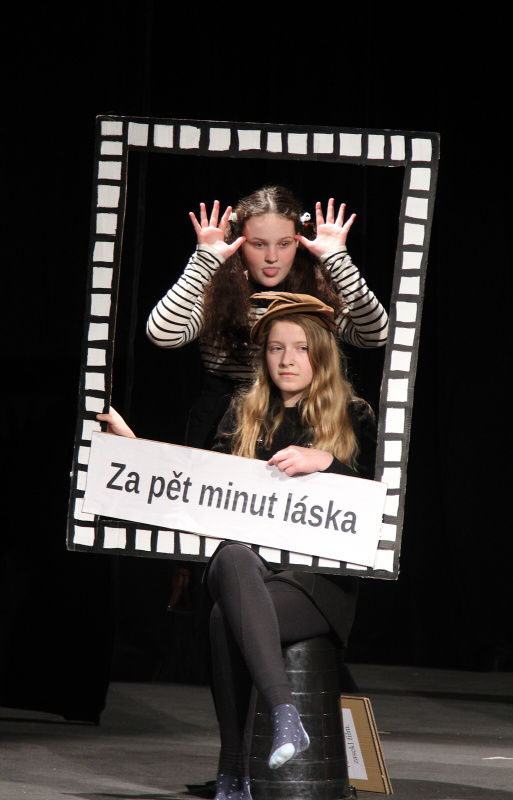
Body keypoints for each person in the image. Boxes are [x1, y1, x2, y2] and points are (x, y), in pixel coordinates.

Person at [203, 292, 377, 800]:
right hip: (251, 570)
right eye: (276, 348)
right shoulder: (242, 412)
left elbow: (379, 505)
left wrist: (328, 464)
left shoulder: (353, 415)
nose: (286, 359)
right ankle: (283, 715)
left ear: (320, 355)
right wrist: (134, 449)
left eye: (300, 348)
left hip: (316, 584)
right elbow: (200, 483)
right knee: (232, 557)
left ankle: (234, 772)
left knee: (224, 618)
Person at [146, 185, 388, 449]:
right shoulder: (218, 289)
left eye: (284, 244)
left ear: (298, 241)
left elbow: (375, 335)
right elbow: (163, 335)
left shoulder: (316, 289)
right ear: (239, 242)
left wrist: (337, 259)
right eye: (258, 244)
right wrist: (204, 261)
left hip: (301, 416)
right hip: (222, 417)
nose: (272, 257)